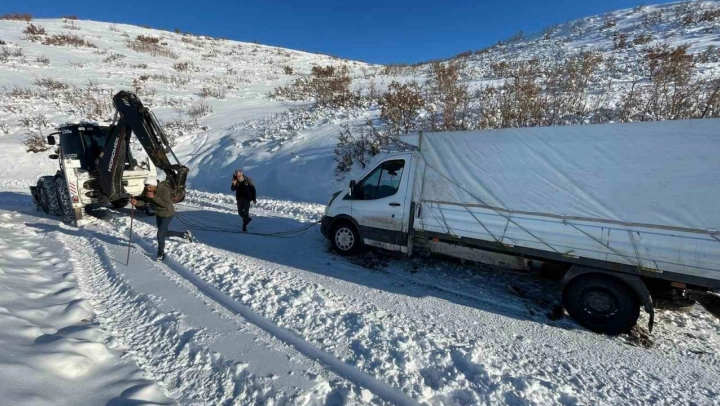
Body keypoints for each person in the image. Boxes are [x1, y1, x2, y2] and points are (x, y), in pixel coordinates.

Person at [131, 177, 193, 261]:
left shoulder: (164, 190)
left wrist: (153, 197)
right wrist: (136, 202)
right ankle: (184, 234)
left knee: (160, 234)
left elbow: (166, 204)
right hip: (158, 213)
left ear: (154, 185)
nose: (148, 189)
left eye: (150, 187)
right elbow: (144, 201)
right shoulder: (147, 190)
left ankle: (160, 253)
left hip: (167, 213)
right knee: (164, 233)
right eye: (146, 187)